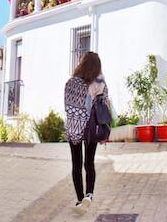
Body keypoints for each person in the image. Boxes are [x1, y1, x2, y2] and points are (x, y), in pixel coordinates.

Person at [64, 52, 109, 213]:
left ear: (82, 63)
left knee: (76, 165)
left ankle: (79, 199)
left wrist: (77, 117)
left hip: (74, 127)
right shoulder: (99, 81)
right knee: (89, 163)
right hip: (92, 128)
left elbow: (68, 106)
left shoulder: (71, 82)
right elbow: (104, 104)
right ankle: (89, 195)